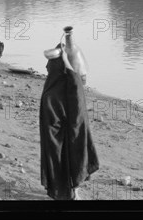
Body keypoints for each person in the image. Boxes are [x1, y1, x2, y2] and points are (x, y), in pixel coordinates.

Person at [39, 44, 99, 200]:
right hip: (69, 133)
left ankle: (67, 191)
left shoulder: (52, 86)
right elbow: (76, 84)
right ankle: (73, 191)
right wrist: (66, 60)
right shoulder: (69, 85)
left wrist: (65, 58)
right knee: (72, 160)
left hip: (57, 138)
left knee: (60, 162)